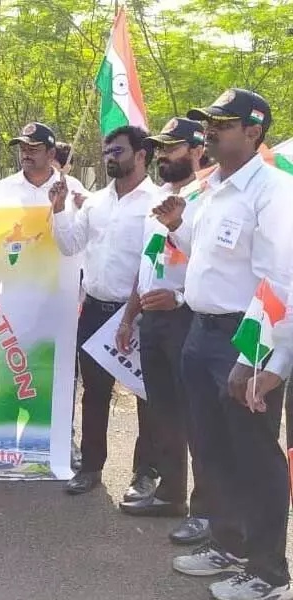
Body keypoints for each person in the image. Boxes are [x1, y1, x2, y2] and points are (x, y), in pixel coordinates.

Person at [156, 89, 293, 600]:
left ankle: (268, 574)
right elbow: (211, 258)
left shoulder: (274, 191)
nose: (210, 130)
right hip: (201, 330)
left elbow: (280, 280)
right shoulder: (214, 189)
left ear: (254, 131)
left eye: (223, 123)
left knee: (254, 456)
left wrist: (259, 357)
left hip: (245, 336)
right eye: (209, 121)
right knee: (211, 448)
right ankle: (227, 544)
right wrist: (179, 229)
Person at [51, 125, 160, 497]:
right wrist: (58, 209)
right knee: (94, 393)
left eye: (118, 151)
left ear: (141, 154)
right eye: (107, 151)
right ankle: (92, 467)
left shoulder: (158, 202)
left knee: (147, 397)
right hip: (95, 310)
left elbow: (154, 264)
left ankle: (145, 473)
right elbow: (70, 246)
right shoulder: (95, 201)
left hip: (141, 313)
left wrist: (131, 317)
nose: (110, 157)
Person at [116, 118, 210, 546]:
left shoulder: (207, 198)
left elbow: (218, 268)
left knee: (200, 420)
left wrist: (180, 299)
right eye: (159, 147)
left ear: (195, 149)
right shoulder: (160, 200)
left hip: (188, 319)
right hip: (152, 321)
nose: (162, 155)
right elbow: (148, 262)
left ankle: (207, 510)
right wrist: (129, 314)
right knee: (163, 413)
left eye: (171, 147)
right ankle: (172, 494)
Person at [0, 123, 88, 205]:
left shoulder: (72, 187)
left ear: (51, 153)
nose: (25, 154)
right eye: (22, 149)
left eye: (33, 149)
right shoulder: (2, 189)